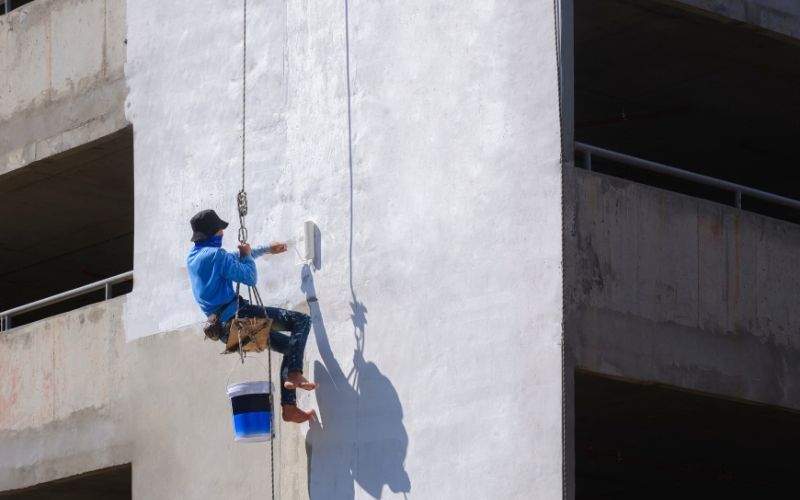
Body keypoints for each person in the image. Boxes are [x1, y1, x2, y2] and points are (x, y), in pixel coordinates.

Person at [186, 209, 317, 423]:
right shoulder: (216, 256)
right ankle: (294, 373)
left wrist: (265, 250)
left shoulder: (194, 258)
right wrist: (247, 256)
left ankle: (289, 407)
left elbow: (235, 257)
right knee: (302, 320)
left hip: (227, 333)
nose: (222, 234)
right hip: (240, 317)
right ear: (212, 233)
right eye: (220, 231)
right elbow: (249, 277)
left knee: (290, 347)